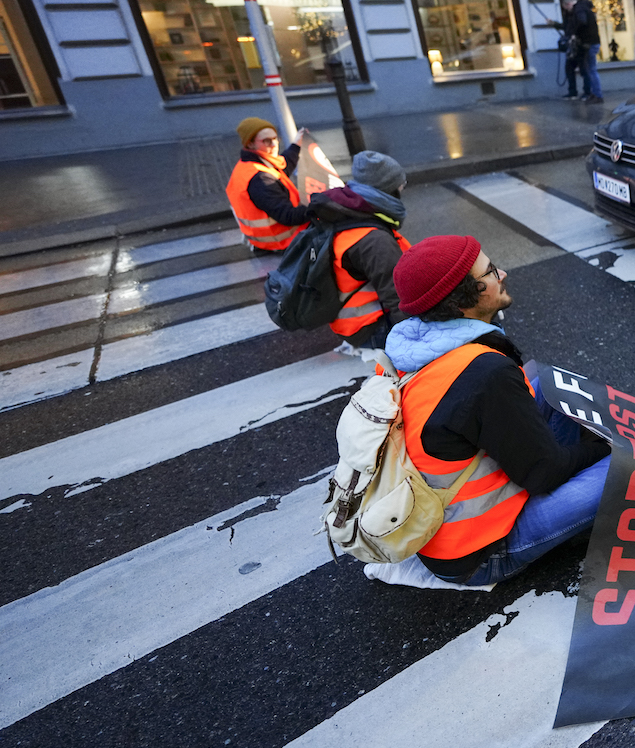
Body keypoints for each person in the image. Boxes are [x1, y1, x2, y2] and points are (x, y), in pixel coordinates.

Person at [385, 235, 611, 585]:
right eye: (491, 272)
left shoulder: (412, 346)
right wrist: (601, 448)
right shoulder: (484, 373)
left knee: (540, 384)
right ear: (466, 298)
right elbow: (544, 475)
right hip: (477, 551)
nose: (502, 273)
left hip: (430, 521)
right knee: (633, 465)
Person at [308, 151, 413, 350]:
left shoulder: (345, 215)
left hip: (351, 325)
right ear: (388, 188)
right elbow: (398, 297)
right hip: (372, 328)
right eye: (401, 184)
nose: (402, 188)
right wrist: (412, 344)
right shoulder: (374, 240)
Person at [226, 117, 313, 252]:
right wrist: (320, 204)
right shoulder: (260, 179)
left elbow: (282, 166)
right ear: (250, 144)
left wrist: (296, 145)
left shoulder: (251, 164)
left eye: (275, 138)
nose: (273, 144)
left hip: (267, 239)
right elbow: (288, 216)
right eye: (266, 141)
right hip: (283, 240)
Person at [559, 0, 603, 104]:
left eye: (565, 6)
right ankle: (594, 94)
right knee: (590, 70)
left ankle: (597, 95)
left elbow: (581, 21)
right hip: (591, 43)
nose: (565, 9)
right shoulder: (583, 8)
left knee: (591, 70)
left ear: (567, 3)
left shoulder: (579, 9)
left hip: (589, 44)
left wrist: (574, 34)